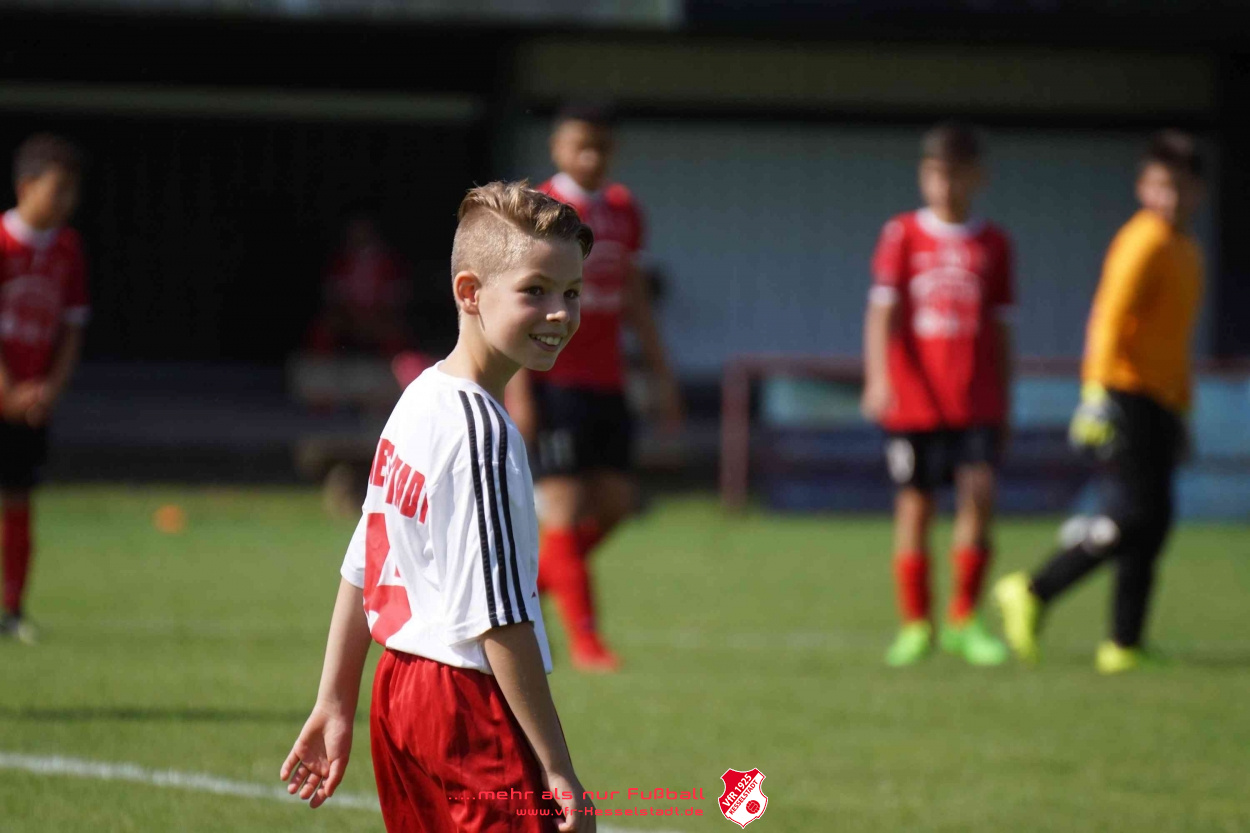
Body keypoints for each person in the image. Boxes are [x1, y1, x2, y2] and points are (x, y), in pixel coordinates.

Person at [281, 182, 597, 832]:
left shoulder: (420, 395)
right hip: (465, 701)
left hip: (398, 690)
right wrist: (557, 764)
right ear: (469, 292)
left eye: (571, 293)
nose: (559, 313)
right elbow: (501, 621)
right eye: (535, 290)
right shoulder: (483, 434)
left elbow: (363, 562)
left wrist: (336, 699)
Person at [995, 131, 1206, 675]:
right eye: (1159, 186)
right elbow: (1109, 316)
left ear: (1197, 191)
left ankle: (1123, 643)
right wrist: (1093, 395)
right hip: (1123, 391)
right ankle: (1034, 590)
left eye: (1179, 187)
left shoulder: (1187, 251)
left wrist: (1182, 409)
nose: (1169, 198)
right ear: (1142, 187)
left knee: (1155, 522)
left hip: (1160, 401)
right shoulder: (1142, 241)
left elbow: (1173, 340)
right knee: (1133, 514)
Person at [508, 103, 682, 673]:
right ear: (557, 147)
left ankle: (530, 589)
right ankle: (586, 642)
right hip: (552, 379)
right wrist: (519, 390)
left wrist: (661, 374)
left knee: (616, 504)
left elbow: (633, 297)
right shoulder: (536, 210)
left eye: (600, 146)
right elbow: (516, 303)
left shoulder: (625, 210)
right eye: (579, 144)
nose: (590, 155)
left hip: (608, 381)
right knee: (563, 506)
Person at [862, 123, 1013, 667]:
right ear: (923, 176)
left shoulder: (994, 243)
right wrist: (879, 378)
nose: (945, 186)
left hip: (975, 400)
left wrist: (1005, 397)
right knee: (916, 505)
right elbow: (881, 313)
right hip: (914, 400)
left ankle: (964, 619)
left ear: (978, 177)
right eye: (935, 174)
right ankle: (915, 624)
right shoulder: (902, 234)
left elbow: (1002, 328)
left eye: (956, 175)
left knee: (979, 496)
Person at [0, 134, 88, 644]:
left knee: (19, 496)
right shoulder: (3, 242)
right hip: (6, 393)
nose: (65, 202)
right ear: (25, 187)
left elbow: (72, 327)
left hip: (32, 401)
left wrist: (48, 390)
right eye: (57, 190)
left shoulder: (67, 249)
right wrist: (7, 390)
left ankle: (12, 609)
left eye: (71, 192)